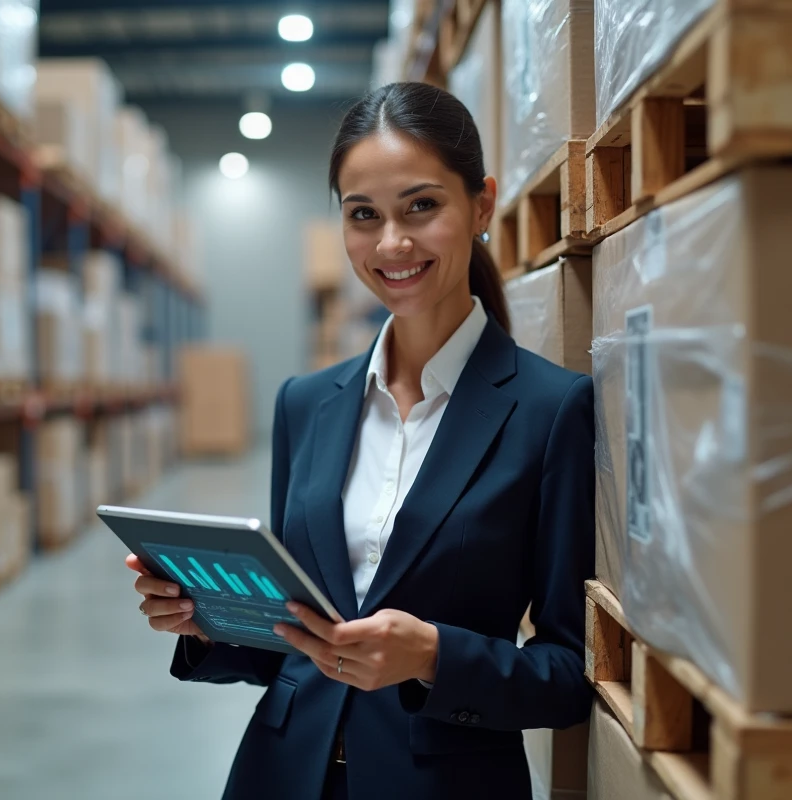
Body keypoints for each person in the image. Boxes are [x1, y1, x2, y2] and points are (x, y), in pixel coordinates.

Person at [127, 81, 594, 800]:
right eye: (363, 215)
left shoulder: (550, 409)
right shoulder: (306, 404)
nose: (392, 243)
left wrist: (434, 657)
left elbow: (567, 678)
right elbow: (296, 634)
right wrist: (205, 623)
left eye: (422, 206)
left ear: (481, 203)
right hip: (280, 773)